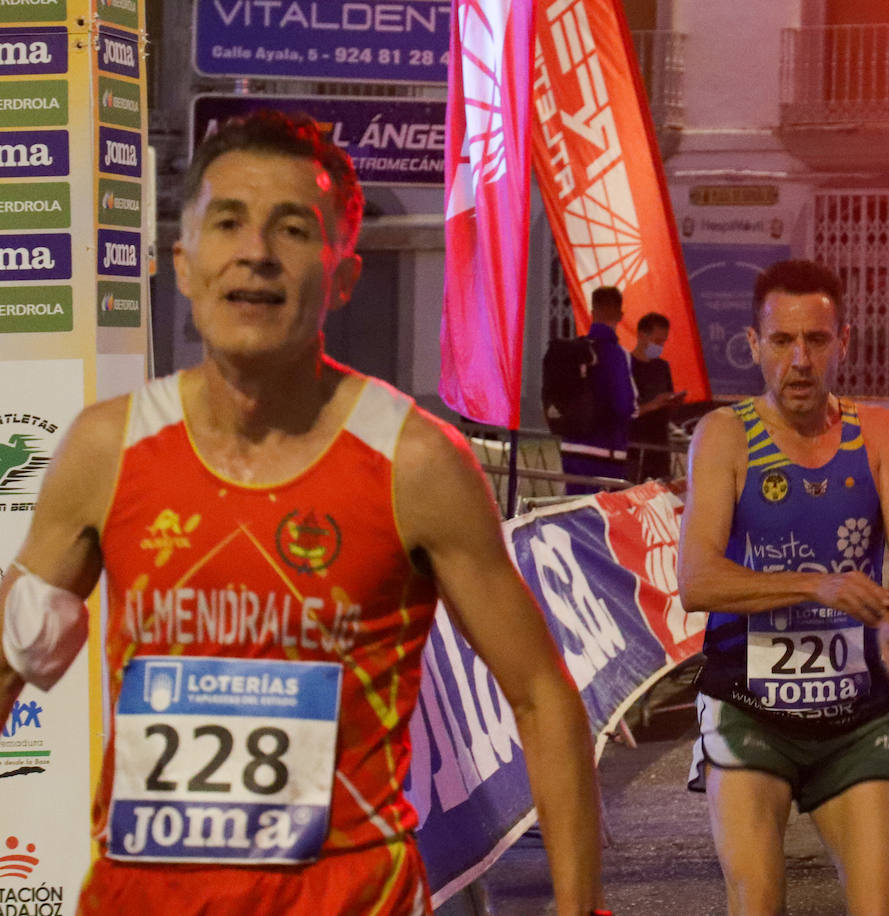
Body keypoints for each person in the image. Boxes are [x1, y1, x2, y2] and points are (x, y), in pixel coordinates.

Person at [0, 110, 607, 916]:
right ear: (182, 264)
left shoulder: (415, 463)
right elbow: (8, 660)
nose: (255, 252)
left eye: (292, 228)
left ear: (343, 276)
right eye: (227, 223)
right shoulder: (105, 451)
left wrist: (581, 908)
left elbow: (540, 694)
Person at [678, 258, 889, 915]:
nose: (800, 360)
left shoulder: (879, 433)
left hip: (853, 716)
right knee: (758, 901)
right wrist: (815, 585)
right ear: (753, 345)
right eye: (781, 341)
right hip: (747, 707)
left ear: (843, 342)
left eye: (816, 340)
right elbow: (697, 581)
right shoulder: (724, 436)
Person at [562, 286, 636, 494]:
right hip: (605, 450)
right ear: (620, 315)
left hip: (571, 447)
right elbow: (625, 405)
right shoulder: (618, 354)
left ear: (592, 313)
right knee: (602, 511)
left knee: (573, 506)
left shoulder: (575, 349)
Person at [627, 312, 684, 483]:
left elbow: (668, 404)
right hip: (634, 444)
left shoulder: (661, 367)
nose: (660, 346)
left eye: (663, 342)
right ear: (641, 335)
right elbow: (625, 410)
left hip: (659, 444)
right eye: (657, 341)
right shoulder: (626, 365)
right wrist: (654, 404)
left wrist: (673, 403)